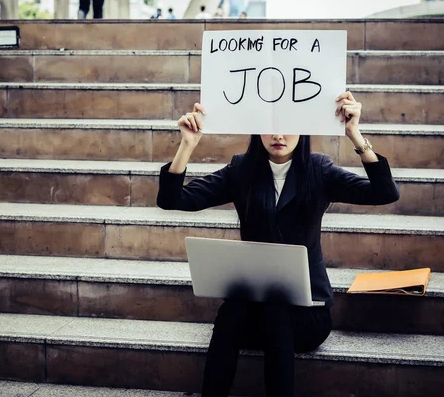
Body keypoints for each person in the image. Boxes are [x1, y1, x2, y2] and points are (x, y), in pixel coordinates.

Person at [157, 92, 399, 396]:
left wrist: (354, 133)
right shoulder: (242, 170)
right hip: (255, 309)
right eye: (269, 126)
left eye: (288, 125)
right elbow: (172, 200)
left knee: (276, 312)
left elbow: (384, 193)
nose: (278, 135)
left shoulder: (319, 170)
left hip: (307, 312)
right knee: (232, 311)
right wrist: (187, 145)